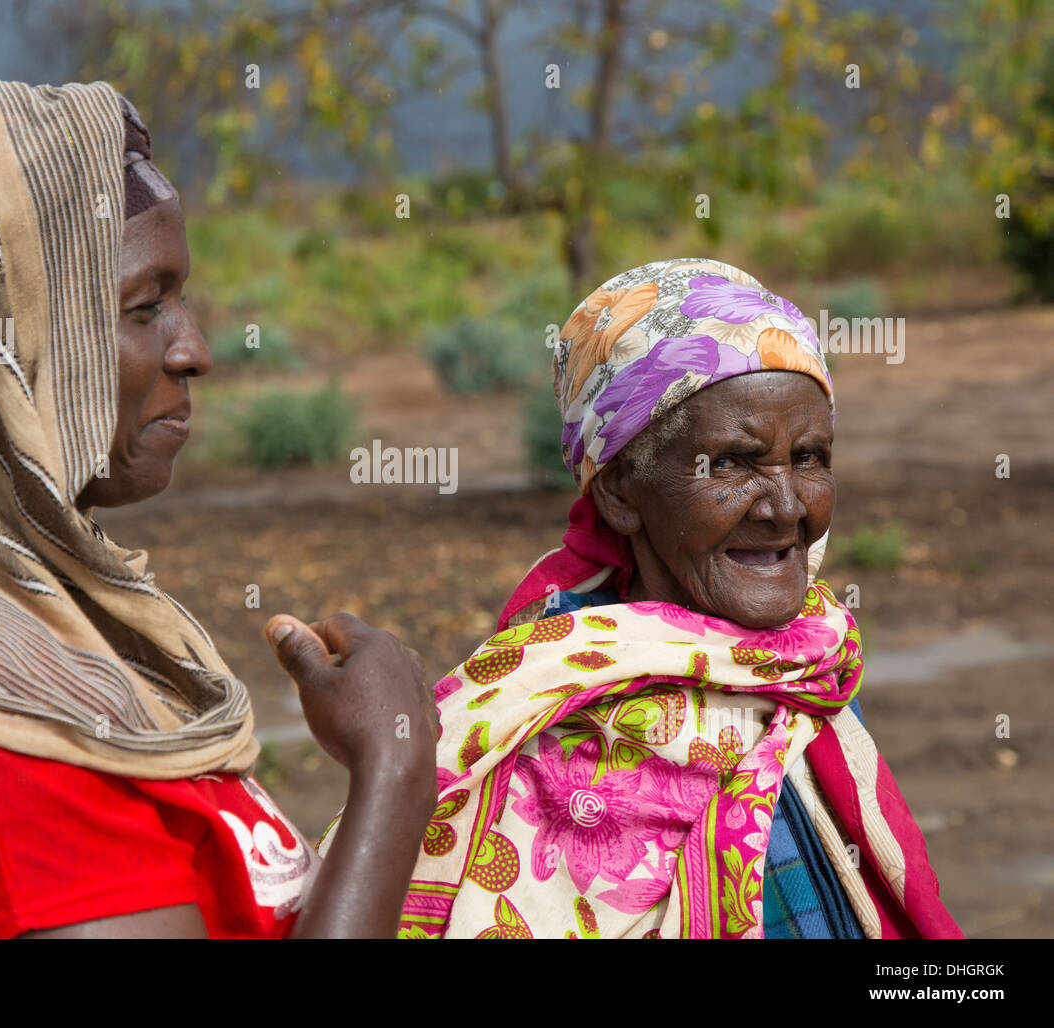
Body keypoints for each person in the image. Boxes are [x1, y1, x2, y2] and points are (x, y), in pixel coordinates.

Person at [0, 79, 436, 939]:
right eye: (144, 306)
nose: (195, 350)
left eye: (179, 299)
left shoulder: (9, 619)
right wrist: (395, 775)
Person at [321, 258, 963, 939]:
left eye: (808, 457)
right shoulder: (543, 722)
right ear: (621, 491)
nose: (784, 507)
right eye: (733, 463)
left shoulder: (812, 661)